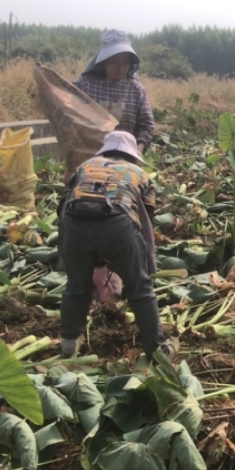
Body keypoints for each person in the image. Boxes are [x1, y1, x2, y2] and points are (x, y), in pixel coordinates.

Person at [58, 130, 168, 360]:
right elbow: (145, 218)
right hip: (117, 225)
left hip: (76, 224)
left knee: (77, 286)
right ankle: (157, 351)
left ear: (105, 149)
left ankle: (68, 345)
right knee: (141, 290)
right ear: (131, 154)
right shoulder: (140, 174)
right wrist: (141, 261)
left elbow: (65, 201)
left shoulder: (86, 166)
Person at [76, 30, 155, 153]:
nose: (121, 67)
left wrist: (138, 149)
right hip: (88, 156)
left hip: (125, 157)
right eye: (115, 62)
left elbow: (146, 125)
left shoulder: (136, 90)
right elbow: (68, 112)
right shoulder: (85, 84)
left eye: (125, 62)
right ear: (104, 62)